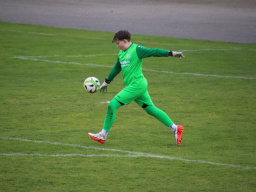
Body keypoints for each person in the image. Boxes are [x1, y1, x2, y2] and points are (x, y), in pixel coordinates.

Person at [88, 30, 184, 145]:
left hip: (137, 85)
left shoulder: (137, 49)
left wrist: (172, 53)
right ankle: (175, 128)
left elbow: (154, 52)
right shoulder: (121, 53)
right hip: (136, 86)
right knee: (150, 109)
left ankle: (103, 135)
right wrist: (107, 82)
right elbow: (117, 68)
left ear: (125, 41)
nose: (117, 46)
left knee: (112, 105)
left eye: (118, 43)